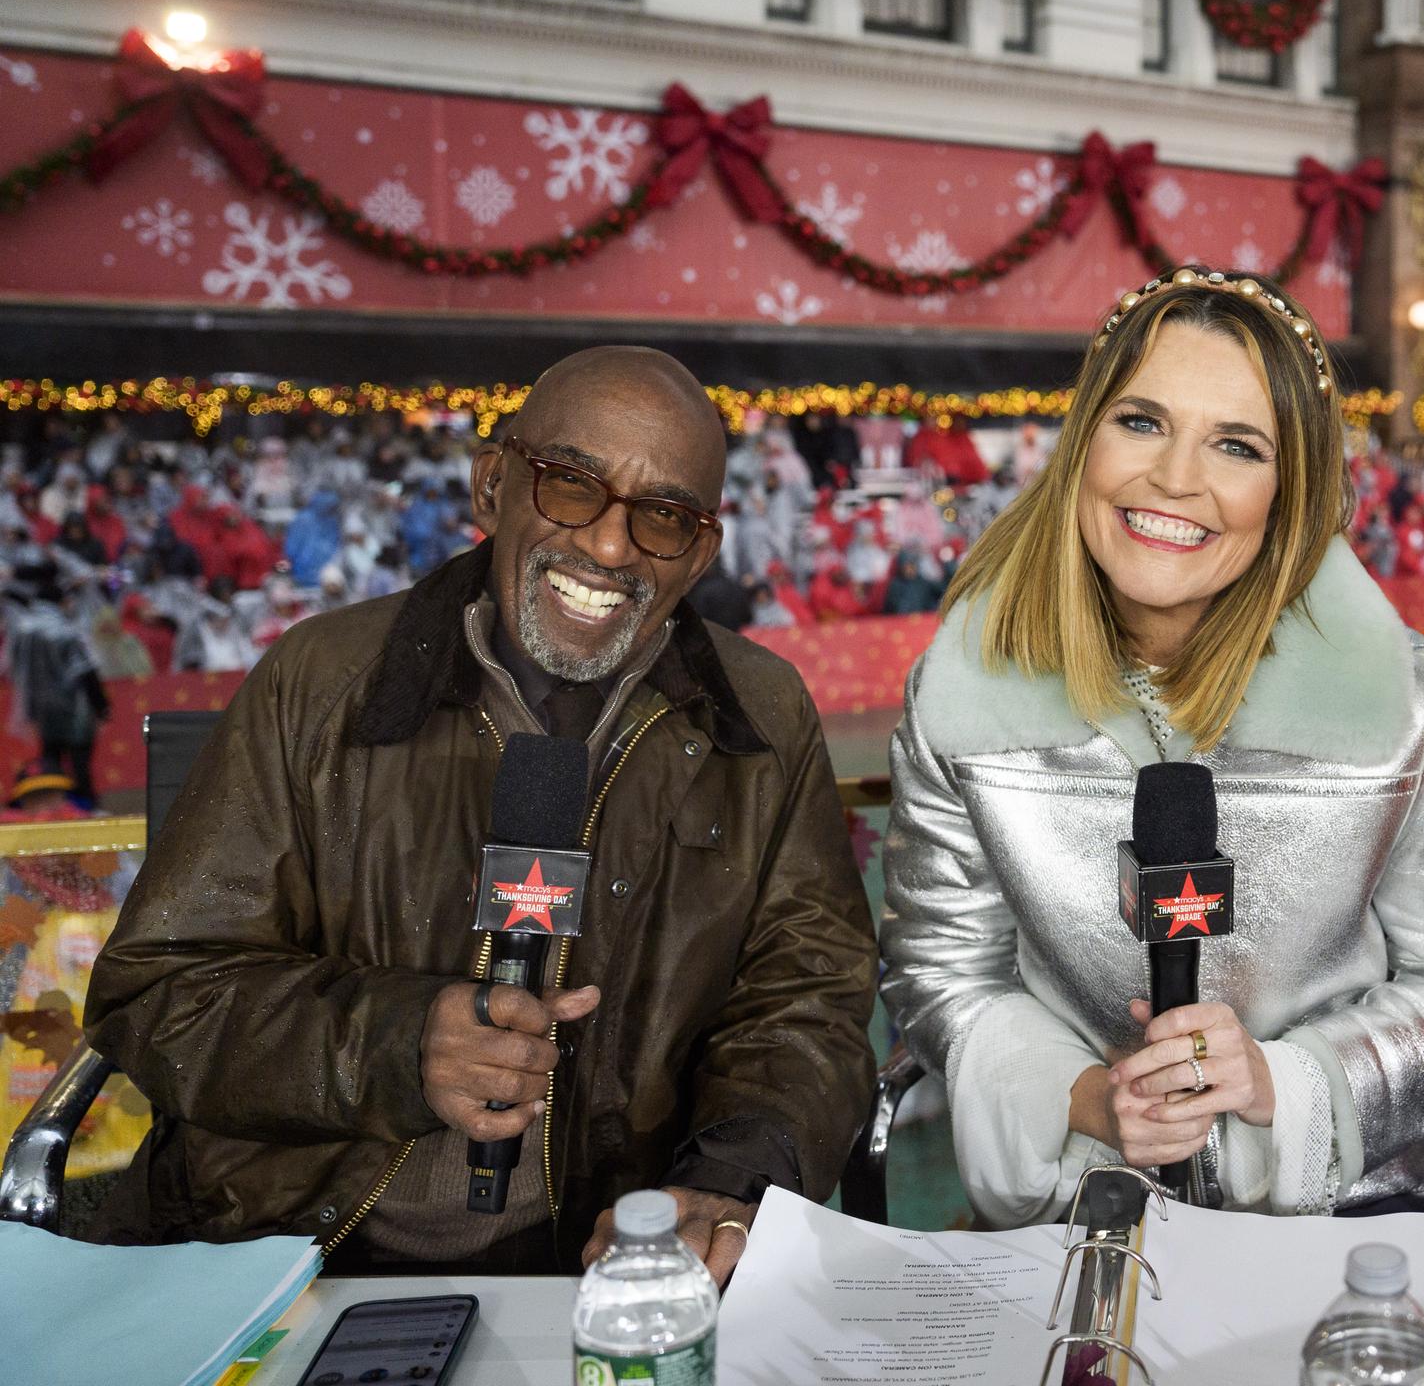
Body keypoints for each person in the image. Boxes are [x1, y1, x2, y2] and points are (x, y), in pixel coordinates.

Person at [84, 347, 877, 1283]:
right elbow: (159, 994)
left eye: (663, 515)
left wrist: (729, 1180)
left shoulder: (764, 714)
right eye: (572, 485)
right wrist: (399, 1044)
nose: (611, 547)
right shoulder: (318, 682)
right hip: (292, 1261)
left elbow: (806, 1002)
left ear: (700, 551)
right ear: (494, 486)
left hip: (605, 1266)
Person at [879, 267, 1424, 1227]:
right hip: (1077, 1212)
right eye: (1142, 422)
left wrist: (1288, 1084)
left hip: (1352, 1222)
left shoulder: (1413, 709)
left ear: (1293, 489)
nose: (1176, 479)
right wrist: (1088, 1099)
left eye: (1236, 445)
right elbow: (941, 968)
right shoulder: (960, 692)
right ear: (1083, 444)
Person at [3, 556, 111, 809]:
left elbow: (18, 672)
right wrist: (101, 706)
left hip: (42, 707)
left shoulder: (23, 631)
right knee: (80, 762)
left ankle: (46, 809)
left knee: (49, 761)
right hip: (73, 707)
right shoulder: (66, 631)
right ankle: (87, 809)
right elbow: (85, 671)